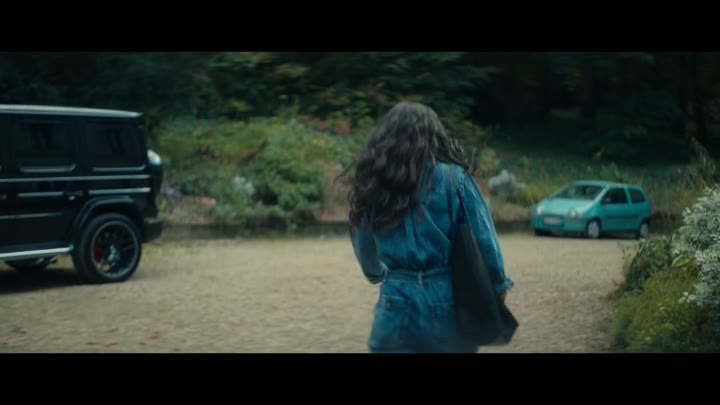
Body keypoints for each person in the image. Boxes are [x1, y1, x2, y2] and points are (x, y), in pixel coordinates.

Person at [341, 102, 513, 353]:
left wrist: (377, 274)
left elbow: (363, 244)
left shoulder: (375, 183)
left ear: (386, 138)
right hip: (447, 300)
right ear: (435, 137)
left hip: (395, 299)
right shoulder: (455, 179)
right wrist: (497, 285)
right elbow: (484, 239)